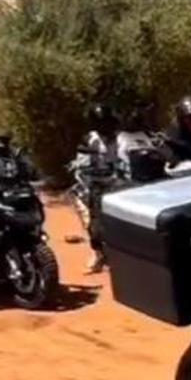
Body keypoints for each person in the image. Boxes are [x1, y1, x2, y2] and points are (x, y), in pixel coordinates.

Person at [75, 105, 122, 273]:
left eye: (107, 122)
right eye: (101, 122)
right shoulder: (89, 139)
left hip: (122, 183)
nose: (105, 126)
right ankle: (99, 253)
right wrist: (89, 166)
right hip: (98, 184)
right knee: (94, 222)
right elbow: (81, 163)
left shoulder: (121, 137)